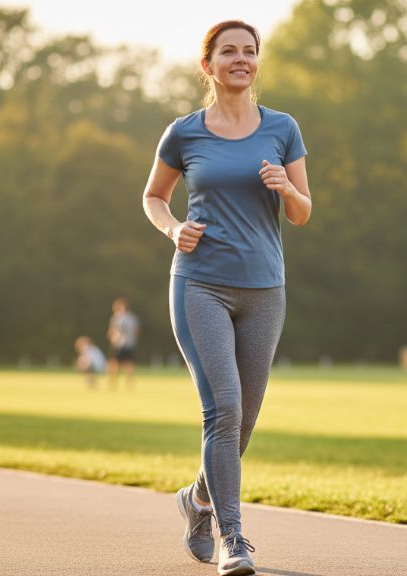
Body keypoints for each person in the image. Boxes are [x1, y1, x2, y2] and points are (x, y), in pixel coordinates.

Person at [141, 19, 311, 576]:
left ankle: (197, 498)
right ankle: (231, 538)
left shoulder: (282, 128)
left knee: (244, 421)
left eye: (250, 51)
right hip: (200, 285)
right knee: (225, 409)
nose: (241, 58)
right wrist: (172, 229)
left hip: (265, 290)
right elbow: (154, 197)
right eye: (229, 51)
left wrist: (287, 189)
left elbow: (303, 211)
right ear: (207, 65)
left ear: (257, 62)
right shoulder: (185, 133)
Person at [106, 297, 140, 389]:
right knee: (124, 363)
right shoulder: (132, 317)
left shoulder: (118, 317)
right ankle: (124, 382)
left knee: (118, 363)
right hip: (127, 344)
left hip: (120, 344)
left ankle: (115, 382)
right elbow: (136, 332)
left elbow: (113, 331)